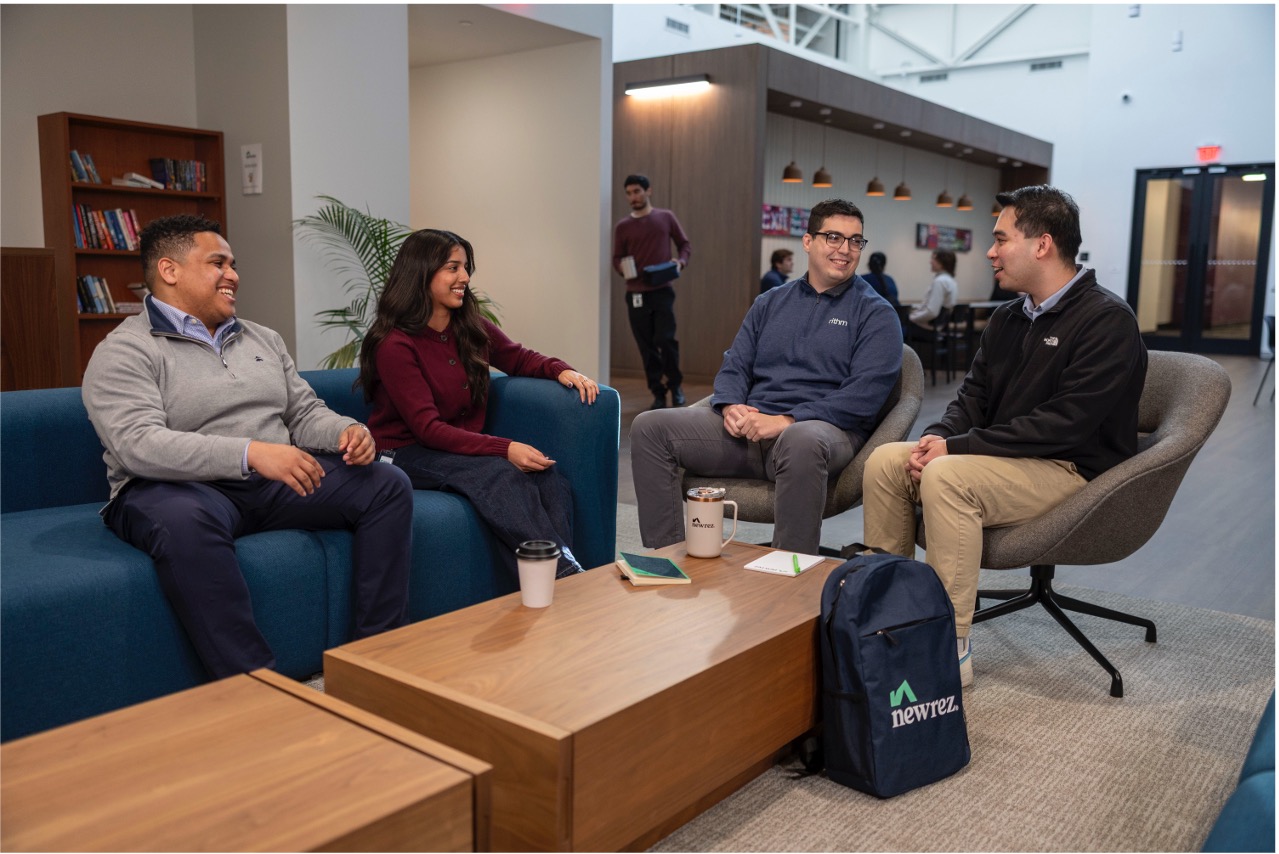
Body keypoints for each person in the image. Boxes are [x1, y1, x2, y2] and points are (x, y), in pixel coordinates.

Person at [82, 214, 413, 679]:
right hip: (175, 488)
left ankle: (377, 660)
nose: (233, 274)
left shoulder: (262, 338)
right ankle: (255, 688)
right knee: (183, 523)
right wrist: (251, 452)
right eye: (218, 262)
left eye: (233, 263)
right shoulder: (125, 351)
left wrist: (346, 431)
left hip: (269, 482)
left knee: (386, 483)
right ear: (169, 271)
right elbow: (139, 444)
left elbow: (303, 413)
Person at [861, 185, 1148, 688]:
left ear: (1042, 244)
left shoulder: (1107, 321)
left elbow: (1067, 424)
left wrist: (958, 449)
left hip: (1071, 468)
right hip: (1005, 457)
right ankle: (890, 618)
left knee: (949, 476)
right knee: (887, 460)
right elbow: (972, 399)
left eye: (1000, 238)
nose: (990, 252)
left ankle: (946, 646)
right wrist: (936, 437)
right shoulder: (1008, 317)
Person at [631, 199, 901, 555]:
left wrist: (788, 420)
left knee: (800, 439)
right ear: (808, 242)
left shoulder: (876, 314)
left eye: (855, 241)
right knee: (650, 427)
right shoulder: (770, 302)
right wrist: (730, 407)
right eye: (834, 237)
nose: (845, 249)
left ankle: (790, 575)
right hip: (750, 432)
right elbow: (736, 364)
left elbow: (863, 396)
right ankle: (666, 558)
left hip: (823, 432)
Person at [358, 229, 599, 579]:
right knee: (502, 475)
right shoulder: (395, 344)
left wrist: (560, 371)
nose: (465, 278)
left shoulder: (470, 327)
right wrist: (505, 448)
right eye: (453, 268)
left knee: (548, 475)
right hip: (403, 452)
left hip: (449, 447)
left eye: (466, 268)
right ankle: (565, 577)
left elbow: (519, 359)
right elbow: (427, 429)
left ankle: (550, 577)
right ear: (422, 272)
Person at [612, 174, 692, 410]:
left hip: (662, 290)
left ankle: (676, 386)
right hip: (635, 294)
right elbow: (616, 258)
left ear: (648, 191)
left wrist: (681, 263)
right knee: (646, 346)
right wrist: (622, 269)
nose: (633, 197)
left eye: (637, 191)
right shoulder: (623, 226)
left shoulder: (665, 217)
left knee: (666, 341)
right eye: (628, 193)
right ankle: (657, 392)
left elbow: (685, 245)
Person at [906, 249, 958, 341]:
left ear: (942, 262)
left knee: (895, 329)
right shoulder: (951, 281)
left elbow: (932, 312)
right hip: (939, 327)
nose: (930, 261)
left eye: (933, 258)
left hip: (928, 329)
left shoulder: (940, 281)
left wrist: (911, 318)